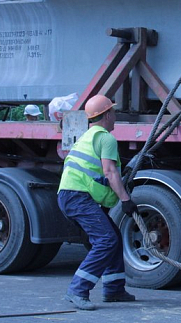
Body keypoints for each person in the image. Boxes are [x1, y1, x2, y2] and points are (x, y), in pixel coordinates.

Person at [57, 94, 138, 310]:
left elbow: (98, 174)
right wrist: (126, 200)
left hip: (71, 196)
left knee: (114, 237)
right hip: (77, 197)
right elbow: (110, 172)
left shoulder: (88, 136)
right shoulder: (106, 138)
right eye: (113, 112)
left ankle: (114, 289)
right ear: (108, 114)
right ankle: (77, 290)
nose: (115, 116)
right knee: (106, 240)